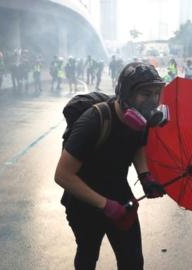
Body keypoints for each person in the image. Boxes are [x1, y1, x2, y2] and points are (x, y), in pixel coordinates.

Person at [55, 62, 167, 270]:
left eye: (155, 94)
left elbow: (138, 146)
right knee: (88, 254)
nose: (152, 101)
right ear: (126, 93)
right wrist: (104, 205)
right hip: (83, 200)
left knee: (132, 261)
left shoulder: (140, 121)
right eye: (145, 94)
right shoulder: (95, 121)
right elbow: (63, 175)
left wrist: (145, 177)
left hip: (118, 193)